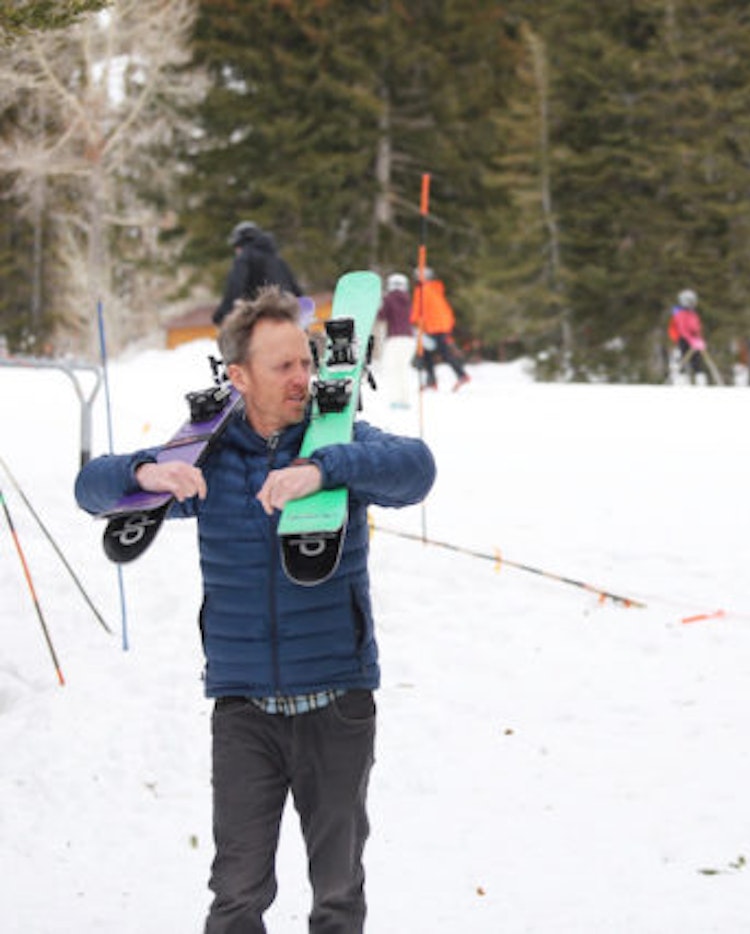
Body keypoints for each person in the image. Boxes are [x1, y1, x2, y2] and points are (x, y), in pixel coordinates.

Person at [74, 288, 436, 933]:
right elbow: (89, 489)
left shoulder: (338, 437)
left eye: (306, 362)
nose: (302, 378)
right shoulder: (208, 460)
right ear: (239, 377)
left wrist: (322, 470)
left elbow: (416, 470)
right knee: (236, 893)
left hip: (336, 700)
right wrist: (145, 472)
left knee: (337, 891)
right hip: (243, 710)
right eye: (283, 366)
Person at [213, 221, 303, 325]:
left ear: (241, 243)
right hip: (288, 316)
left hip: (263, 315)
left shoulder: (244, 258)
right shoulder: (277, 259)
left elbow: (236, 287)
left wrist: (222, 314)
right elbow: (296, 290)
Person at [410, 266, 470, 392]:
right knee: (428, 353)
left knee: (443, 353)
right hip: (441, 326)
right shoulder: (435, 289)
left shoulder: (422, 290)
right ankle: (432, 381)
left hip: (434, 328)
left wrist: (411, 321)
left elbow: (417, 310)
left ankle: (461, 375)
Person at [376, 272, 415, 409]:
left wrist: (378, 303)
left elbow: (381, 316)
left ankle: (396, 399)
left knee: (392, 369)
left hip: (395, 338)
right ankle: (405, 399)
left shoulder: (389, 298)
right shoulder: (408, 299)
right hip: (409, 338)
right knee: (403, 369)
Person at [667, 288, 720, 384]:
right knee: (684, 358)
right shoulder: (680, 314)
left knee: (697, 360)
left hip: (694, 340)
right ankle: (681, 381)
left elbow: (697, 327)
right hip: (683, 339)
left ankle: (700, 380)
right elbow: (683, 329)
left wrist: (699, 339)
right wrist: (691, 340)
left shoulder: (693, 313)